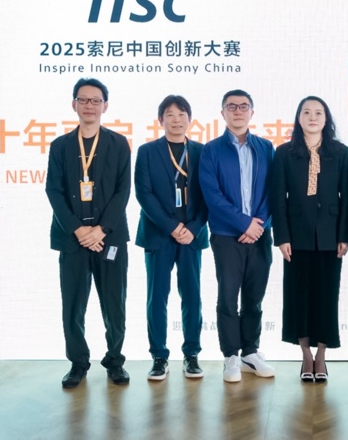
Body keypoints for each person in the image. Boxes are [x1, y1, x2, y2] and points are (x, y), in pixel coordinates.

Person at [45, 77, 131, 389]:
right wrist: (79, 230)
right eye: (83, 100)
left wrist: (100, 230)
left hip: (109, 238)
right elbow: (53, 191)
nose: (89, 105)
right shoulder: (60, 146)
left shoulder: (118, 144)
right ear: (74, 105)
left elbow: (123, 191)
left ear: (105, 106)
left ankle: (115, 361)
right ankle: (78, 363)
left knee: (114, 304)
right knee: (73, 305)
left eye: (96, 100)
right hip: (73, 239)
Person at [270, 96, 348, 383]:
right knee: (299, 297)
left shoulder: (340, 152)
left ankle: (322, 356)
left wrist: (345, 235)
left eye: (318, 112)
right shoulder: (284, 152)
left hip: (331, 235)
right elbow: (277, 198)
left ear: (326, 119)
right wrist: (282, 236)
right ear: (299, 118)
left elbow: (347, 197)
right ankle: (305, 355)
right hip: (296, 235)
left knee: (326, 296)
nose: (312, 117)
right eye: (306, 112)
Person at [199, 89, 275, 383]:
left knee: (254, 298)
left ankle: (250, 352)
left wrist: (258, 225)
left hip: (260, 235)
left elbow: (273, 190)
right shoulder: (211, 150)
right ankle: (231, 355)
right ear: (223, 113)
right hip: (226, 235)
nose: (238, 111)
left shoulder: (265, 148)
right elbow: (212, 195)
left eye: (244, 106)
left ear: (252, 112)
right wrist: (244, 224)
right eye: (232, 106)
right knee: (228, 298)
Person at [134, 95, 209, 381]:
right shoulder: (147, 151)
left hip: (192, 235)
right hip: (158, 234)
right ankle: (159, 356)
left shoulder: (202, 152)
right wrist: (171, 227)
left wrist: (194, 227)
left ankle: (192, 354)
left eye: (181, 114)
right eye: (170, 114)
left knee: (192, 295)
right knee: (157, 297)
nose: (176, 120)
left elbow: (210, 193)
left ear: (190, 119)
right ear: (160, 120)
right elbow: (144, 194)